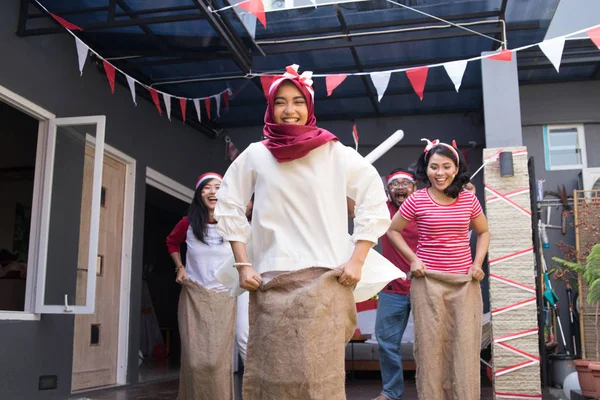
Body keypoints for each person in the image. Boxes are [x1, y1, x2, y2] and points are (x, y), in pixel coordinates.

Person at [214, 64, 398, 400]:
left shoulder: (335, 153)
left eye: (298, 101)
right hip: (270, 280)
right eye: (280, 102)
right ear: (270, 108)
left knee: (319, 378)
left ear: (309, 107)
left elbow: (373, 197)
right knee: (271, 377)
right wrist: (243, 264)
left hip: (325, 278)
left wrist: (357, 260)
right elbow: (228, 204)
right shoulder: (256, 155)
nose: (289, 110)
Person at [387, 139, 490, 400]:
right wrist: (413, 259)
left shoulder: (468, 200)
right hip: (428, 283)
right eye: (434, 167)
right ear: (426, 168)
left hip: (464, 283)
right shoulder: (417, 200)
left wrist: (477, 264)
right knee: (431, 347)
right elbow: (393, 231)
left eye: (446, 166)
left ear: (456, 169)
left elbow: (484, 231)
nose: (440, 173)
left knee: (464, 345)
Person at [166, 173, 235, 400]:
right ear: (199, 194)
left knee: (216, 361)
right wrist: (180, 267)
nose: (213, 191)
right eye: (207, 188)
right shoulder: (188, 223)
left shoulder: (233, 223)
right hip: (195, 296)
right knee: (195, 361)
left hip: (225, 296)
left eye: (218, 187)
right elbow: (171, 241)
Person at [372, 168, 419, 400]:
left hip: (425, 286)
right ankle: (391, 392)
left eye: (405, 183)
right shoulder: (384, 210)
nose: (400, 187)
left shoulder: (425, 207)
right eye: (394, 184)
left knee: (430, 342)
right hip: (392, 288)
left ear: (415, 188)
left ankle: (431, 389)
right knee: (386, 342)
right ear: (387, 190)